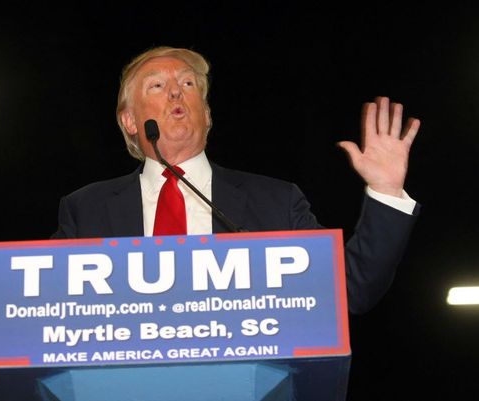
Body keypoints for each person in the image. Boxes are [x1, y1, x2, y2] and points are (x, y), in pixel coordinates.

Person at [51, 46, 421, 315]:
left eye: (188, 84)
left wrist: (386, 192)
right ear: (131, 121)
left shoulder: (275, 201)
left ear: (207, 114)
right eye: (157, 86)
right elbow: (37, 305)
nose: (177, 92)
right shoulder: (87, 209)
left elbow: (350, 289)